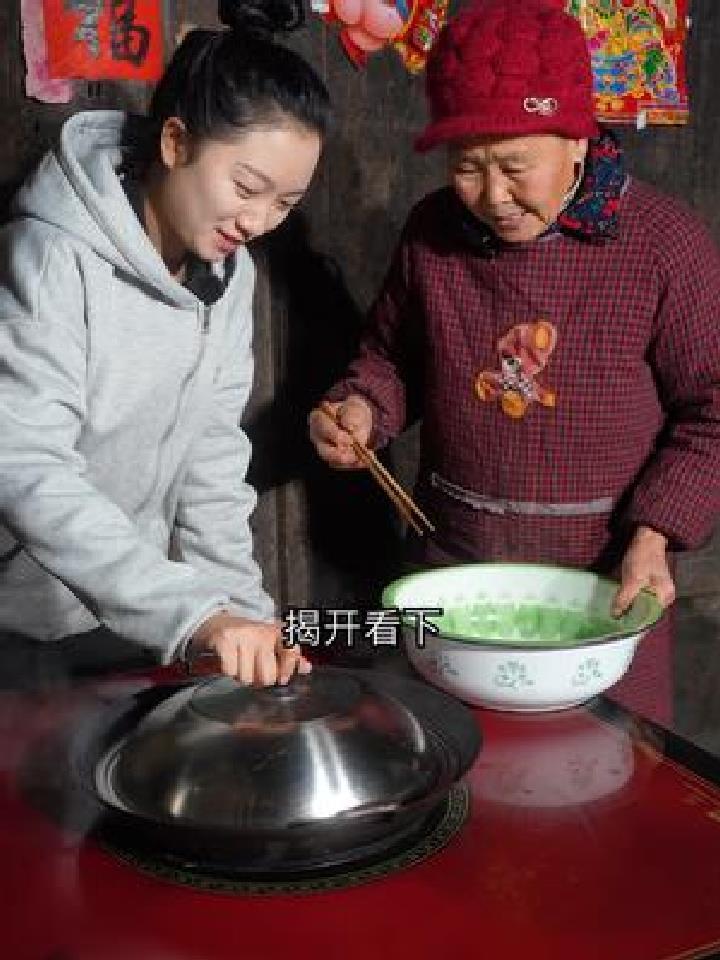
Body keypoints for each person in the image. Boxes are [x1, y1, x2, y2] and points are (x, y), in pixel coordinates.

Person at [308, 0, 720, 723]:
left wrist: (656, 537)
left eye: (514, 165)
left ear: (578, 139)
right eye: (467, 167)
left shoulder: (665, 245)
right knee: (450, 776)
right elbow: (390, 358)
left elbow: (713, 410)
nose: (493, 196)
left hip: (607, 585)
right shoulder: (433, 232)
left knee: (601, 788)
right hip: (455, 576)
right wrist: (362, 409)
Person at [0, 0, 330, 687]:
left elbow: (212, 464)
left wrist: (244, 622)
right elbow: (24, 465)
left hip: (128, 617)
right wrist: (193, 612)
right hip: (17, 621)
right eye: (247, 187)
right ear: (176, 143)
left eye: (285, 204)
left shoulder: (226, 273)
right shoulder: (51, 254)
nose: (259, 220)